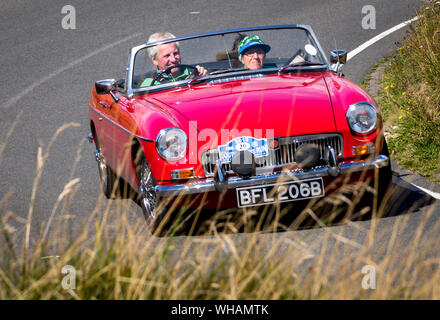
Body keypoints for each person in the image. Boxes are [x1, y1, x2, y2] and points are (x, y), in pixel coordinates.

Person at [141, 32, 207, 87]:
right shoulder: (149, 84)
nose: (173, 60)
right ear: (154, 60)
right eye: (167, 55)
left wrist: (202, 78)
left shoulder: (194, 73)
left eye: (175, 53)